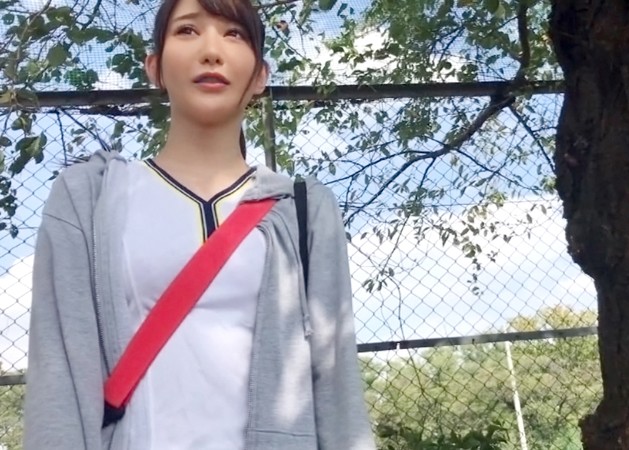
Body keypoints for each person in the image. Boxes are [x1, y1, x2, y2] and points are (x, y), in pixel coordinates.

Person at [22, 0, 377, 448]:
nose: (211, 50)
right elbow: (58, 380)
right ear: (154, 67)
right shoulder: (88, 198)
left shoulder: (306, 208)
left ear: (260, 75)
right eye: (188, 31)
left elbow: (337, 390)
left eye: (234, 34)